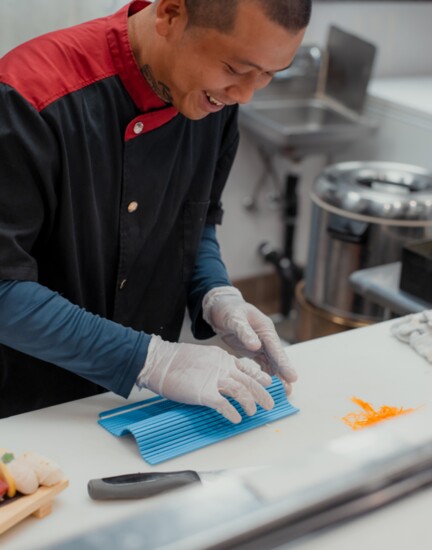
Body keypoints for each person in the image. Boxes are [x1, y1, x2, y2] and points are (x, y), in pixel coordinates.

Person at [0, 0, 311, 420]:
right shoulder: (28, 98)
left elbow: (195, 223)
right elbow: (4, 288)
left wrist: (216, 295)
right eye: (236, 69)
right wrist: (151, 360)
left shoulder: (216, 102)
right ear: (169, 14)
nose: (245, 95)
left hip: (146, 405)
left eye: (268, 75)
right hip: (31, 406)